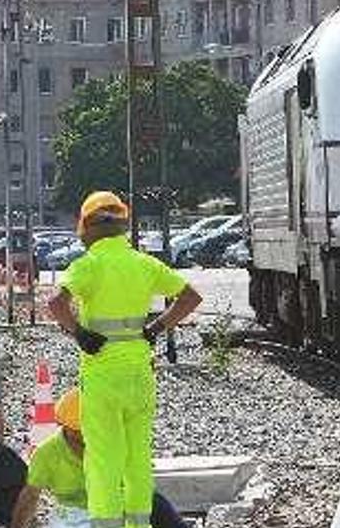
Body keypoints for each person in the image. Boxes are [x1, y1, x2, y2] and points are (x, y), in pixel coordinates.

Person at [47, 191, 202, 528]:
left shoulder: (88, 265)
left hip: (102, 377)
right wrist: (157, 327)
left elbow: (56, 303)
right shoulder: (144, 263)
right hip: (139, 376)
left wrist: (79, 333)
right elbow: (190, 297)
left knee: (104, 461)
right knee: (137, 459)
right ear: (123, 226)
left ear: (85, 228)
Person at [10, 389, 188, 528]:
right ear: (70, 430)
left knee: (154, 502)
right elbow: (30, 496)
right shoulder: (47, 454)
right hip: (73, 514)